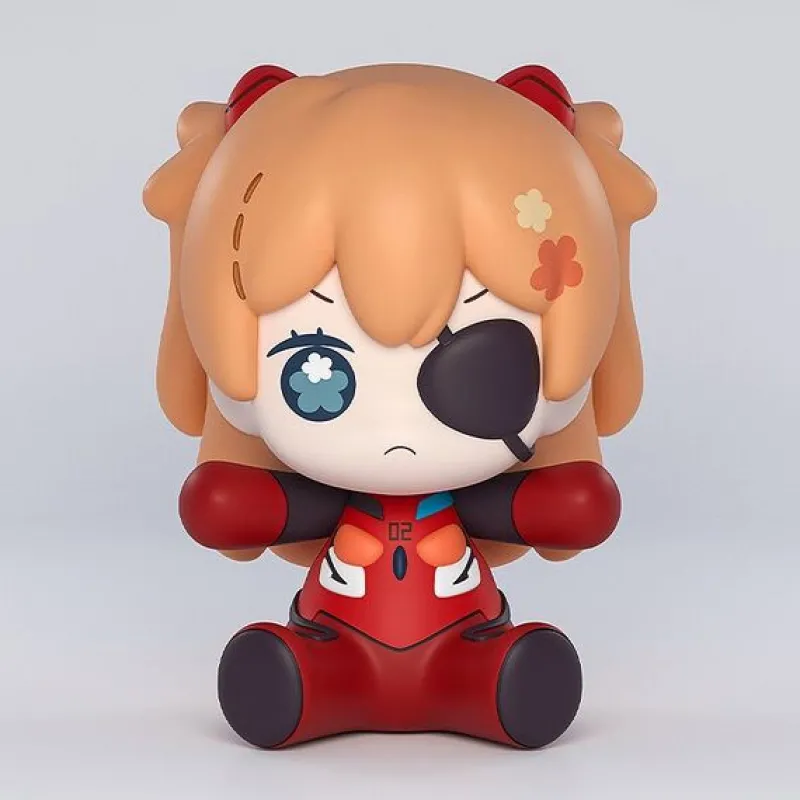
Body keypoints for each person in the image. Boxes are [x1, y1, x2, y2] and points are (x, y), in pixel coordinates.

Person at [144, 62, 656, 749]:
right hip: (336, 631)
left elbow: (566, 508)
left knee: (491, 667)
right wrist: (241, 502)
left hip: (463, 630)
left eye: (482, 363)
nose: (397, 426)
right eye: (315, 365)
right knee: (308, 667)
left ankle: (492, 682)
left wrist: (558, 502)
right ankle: (306, 682)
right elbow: (233, 507)